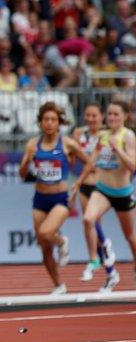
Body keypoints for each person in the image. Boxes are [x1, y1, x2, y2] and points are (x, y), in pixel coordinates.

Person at [19, 101, 92, 295]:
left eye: (53, 119)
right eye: (46, 119)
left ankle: (62, 242)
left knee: (44, 234)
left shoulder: (67, 143)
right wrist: (27, 161)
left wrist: (77, 183)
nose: (49, 123)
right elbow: (22, 174)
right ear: (40, 122)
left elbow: (89, 163)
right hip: (40, 198)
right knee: (44, 248)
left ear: (59, 123)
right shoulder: (33, 144)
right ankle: (59, 285)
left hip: (61, 198)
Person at [83, 100, 136, 292]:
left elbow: (133, 167)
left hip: (122, 193)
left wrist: (118, 148)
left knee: (130, 237)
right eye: (110, 114)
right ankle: (105, 247)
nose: (112, 118)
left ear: (125, 116)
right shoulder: (103, 136)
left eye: (116, 114)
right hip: (103, 189)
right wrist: (78, 182)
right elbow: (91, 162)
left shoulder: (128, 136)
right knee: (88, 219)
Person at [72, 103, 117, 283]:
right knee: (88, 224)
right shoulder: (78, 134)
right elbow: (75, 159)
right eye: (88, 116)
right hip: (85, 184)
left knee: (93, 222)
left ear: (102, 117)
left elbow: (103, 162)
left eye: (95, 116)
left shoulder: (106, 136)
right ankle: (106, 267)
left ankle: (99, 258)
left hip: (100, 185)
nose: (91, 119)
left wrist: (92, 160)